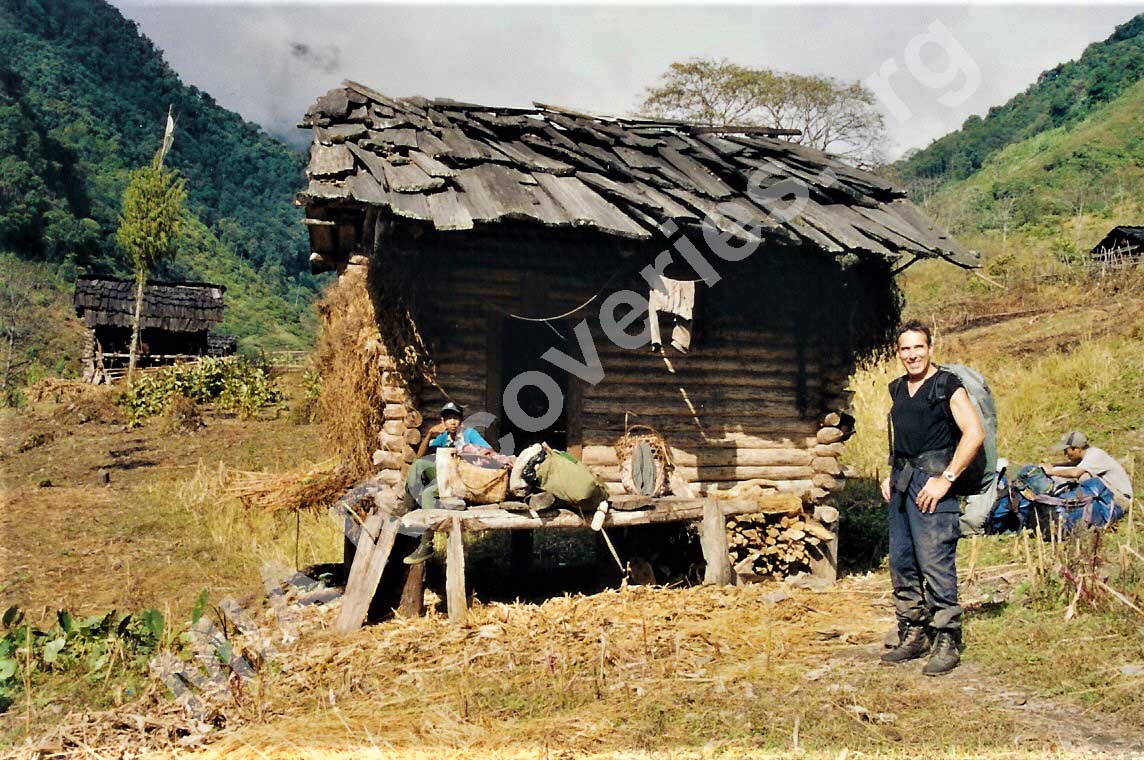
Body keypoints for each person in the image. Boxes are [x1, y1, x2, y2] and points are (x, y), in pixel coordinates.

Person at [880, 320, 985, 676]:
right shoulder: (897, 388)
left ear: (930, 347)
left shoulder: (946, 385)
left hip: (933, 480)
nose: (912, 355)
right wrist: (889, 473)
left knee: (935, 560)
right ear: (899, 352)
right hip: (902, 482)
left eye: (918, 347)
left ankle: (947, 638)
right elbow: (902, 437)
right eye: (905, 349)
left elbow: (974, 433)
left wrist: (946, 479)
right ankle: (914, 632)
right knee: (903, 561)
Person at [402, 402, 492, 565]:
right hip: (445, 477)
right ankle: (408, 512)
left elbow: (489, 452)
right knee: (418, 465)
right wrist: (430, 433)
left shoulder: (468, 434)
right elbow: (419, 457)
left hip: (462, 481)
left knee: (429, 493)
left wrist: (467, 452)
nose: (452, 422)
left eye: (455, 418)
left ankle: (427, 544)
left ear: (461, 420)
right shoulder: (444, 437)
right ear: (442, 422)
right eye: (448, 418)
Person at [1044, 431, 1134, 512]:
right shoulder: (1086, 456)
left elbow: (1075, 472)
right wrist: (1053, 465)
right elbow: (1070, 465)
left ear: (1077, 448)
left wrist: (1051, 472)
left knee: (1084, 477)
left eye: (1066, 451)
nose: (1065, 455)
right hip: (1112, 495)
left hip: (1121, 500)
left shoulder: (1095, 455)